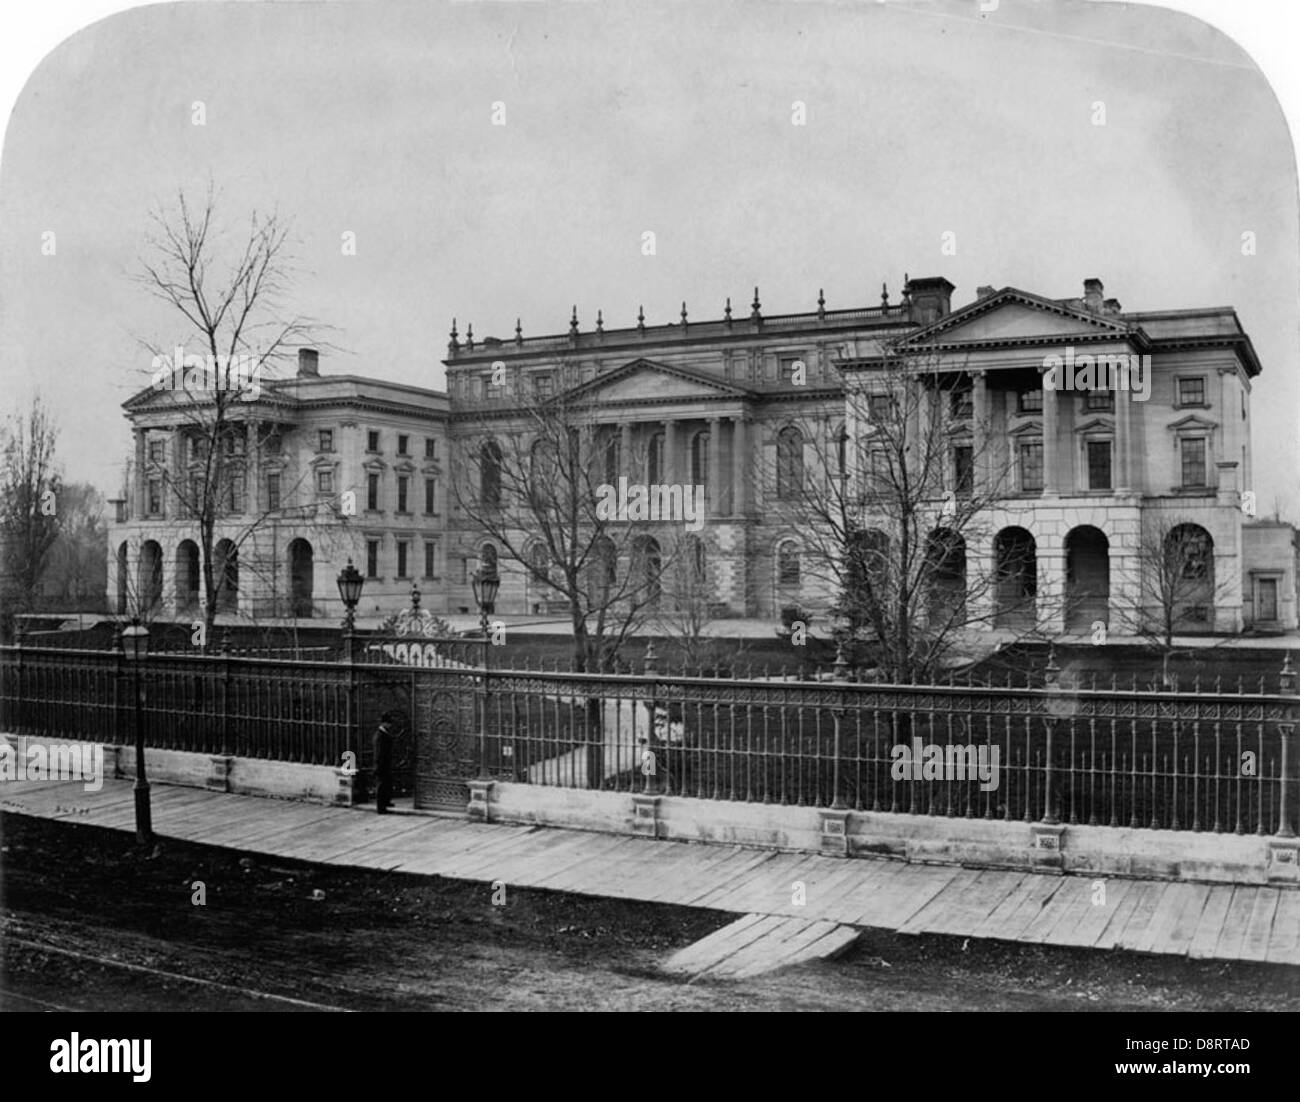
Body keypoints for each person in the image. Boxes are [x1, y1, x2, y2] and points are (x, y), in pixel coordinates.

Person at [373, 717, 394, 813]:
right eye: (389, 724)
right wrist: (379, 765)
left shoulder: (383, 734)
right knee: (381, 785)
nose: (390, 726)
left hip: (385, 763)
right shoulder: (380, 736)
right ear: (384, 723)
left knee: (386, 784)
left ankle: (385, 802)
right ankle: (380, 807)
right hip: (382, 764)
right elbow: (379, 753)